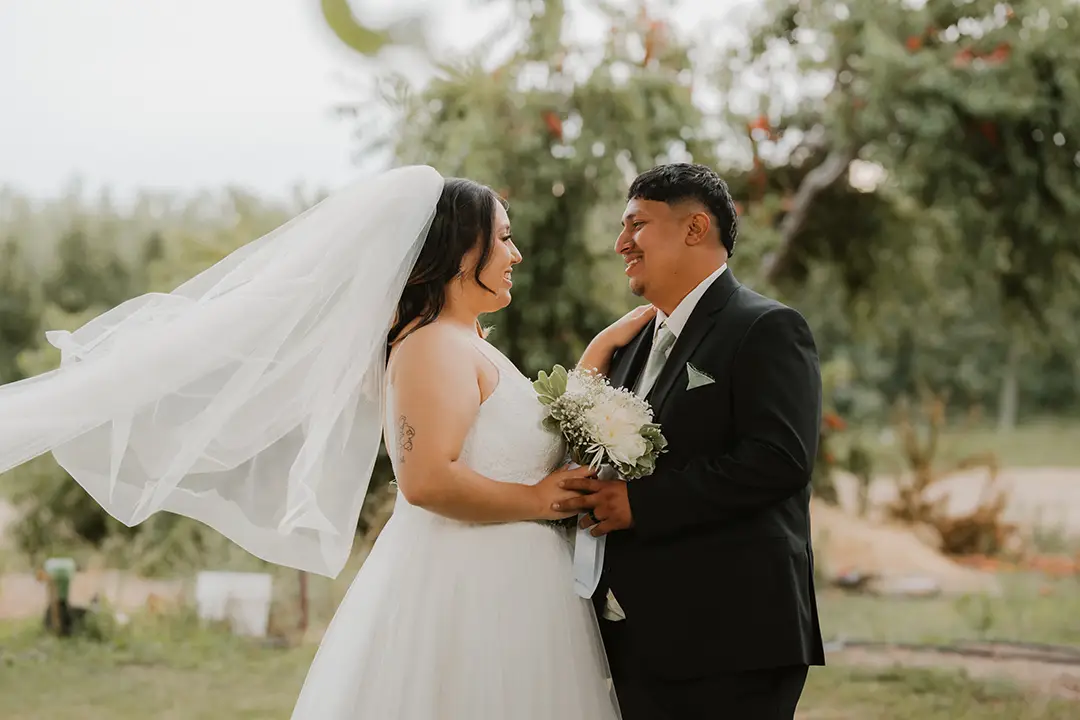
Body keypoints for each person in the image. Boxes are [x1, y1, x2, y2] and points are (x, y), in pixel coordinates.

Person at [0, 166, 649, 718]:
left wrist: (594, 358)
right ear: (460, 251)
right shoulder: (429, 347)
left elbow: (503, 444)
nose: (516, 255)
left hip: (510, 582)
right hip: (464, 588)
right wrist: (538, 502)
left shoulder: (465, 341)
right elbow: (425, 480)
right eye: (503, 239)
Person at [559, 163, 826, 719]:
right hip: (640, 635)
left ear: (695, 229)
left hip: (733, 636)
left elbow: (779, 460)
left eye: (636, 224)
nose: (621, 243)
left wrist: (638, 504)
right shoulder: (630, 344)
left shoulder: (767, 327)